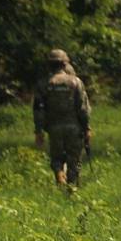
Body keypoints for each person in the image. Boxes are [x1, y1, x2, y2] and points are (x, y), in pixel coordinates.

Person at [32, 49, 90, 189]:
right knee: (74, 160)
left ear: (49, 65)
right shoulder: (76, 82)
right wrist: (86, 127)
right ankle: (72, 188)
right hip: (74, 127)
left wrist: (39, 131)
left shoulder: (43, 84)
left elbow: (38, 109)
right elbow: (83, 108)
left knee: (56, 157)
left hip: (54, 128)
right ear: (65, 64)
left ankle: (59, 173)